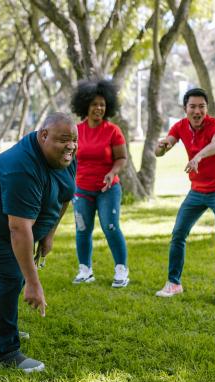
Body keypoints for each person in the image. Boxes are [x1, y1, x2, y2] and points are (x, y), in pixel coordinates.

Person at [0, 112, 77, 372]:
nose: (70, 146)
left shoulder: (64, 156)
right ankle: (4, 352)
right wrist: (33, 283)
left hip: (13, 220)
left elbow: (66, 194)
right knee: (11, 276)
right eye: (63, 139)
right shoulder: (22, 167)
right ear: (43, 135)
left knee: (12, 274)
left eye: (74, 140)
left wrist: (49, 233)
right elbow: (18, 228)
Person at [154, 88, 215, 306]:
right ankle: (174, 283)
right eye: (193, 106)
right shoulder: (180, 126)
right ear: (185, 109)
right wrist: (161, 147)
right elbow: (165, 146)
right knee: (178, 233)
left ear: (206, 108)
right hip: (197, 191)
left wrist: (198, 156)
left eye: (202, 106)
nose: (197, 110)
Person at [70, 80, 129, 288]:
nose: (99, 108)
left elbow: (121, 158)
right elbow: (68, 159)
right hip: (82, 189)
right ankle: (85, 270)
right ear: (85, 105)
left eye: (103, 104)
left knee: (110, 227)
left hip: (108, 189)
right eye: (95, 104)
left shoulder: (113, 131)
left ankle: (121, 269)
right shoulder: (76, 131)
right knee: (82, 229)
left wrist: (112, 173)